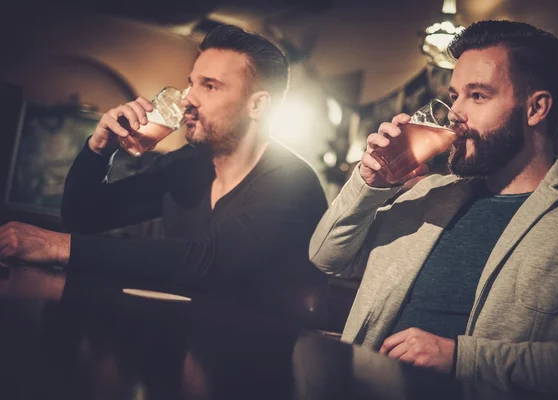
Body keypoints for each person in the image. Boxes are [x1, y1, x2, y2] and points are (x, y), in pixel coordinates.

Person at [310, 20, 558, 398]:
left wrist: (460, 357)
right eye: (454, 94)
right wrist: (370, 184)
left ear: (536, 108)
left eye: (477, 95)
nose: (454, 112)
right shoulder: (430, 192)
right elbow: (327, 256)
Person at [0, 25, 328, 328]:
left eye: (209, 86)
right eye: (191, 83)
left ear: (257, 106)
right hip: (185, 348)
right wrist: (99, 149)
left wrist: (55, 246)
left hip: (262, 366)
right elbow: (84, 216)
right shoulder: (189, 165)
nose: (188, 99)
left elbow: (205, 262)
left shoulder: (291, 182)